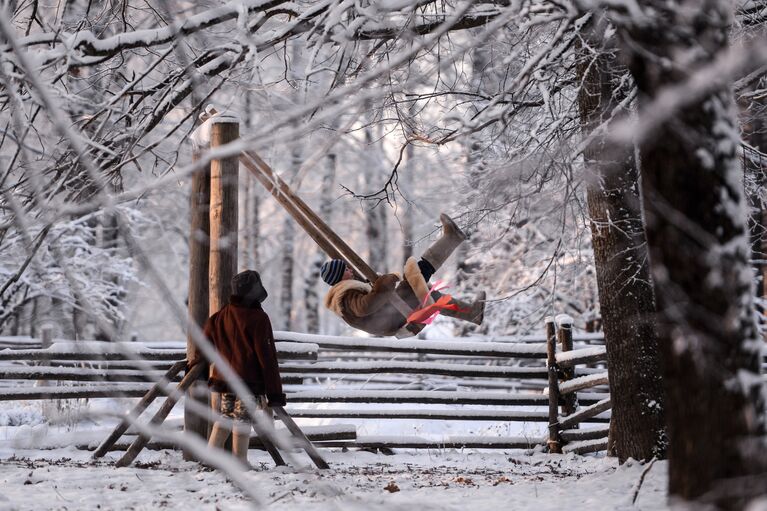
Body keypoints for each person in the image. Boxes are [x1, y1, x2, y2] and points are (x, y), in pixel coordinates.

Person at [321, 214, 485, 337]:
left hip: (390, 315)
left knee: (431, 295)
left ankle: (472, 313)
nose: (350, 270)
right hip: (391, 316)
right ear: (340, 276)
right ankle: (451, 238)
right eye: (346, 270)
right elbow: (365, 307)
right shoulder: (344, 297)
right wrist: (383, 285)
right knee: (415, 274)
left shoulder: (346, 294)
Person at [190, 270, 286, 467]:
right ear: (255, 290)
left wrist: (197, 372)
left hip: (225, 380)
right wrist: (274, 392)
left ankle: (209, 459)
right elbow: (267, 358)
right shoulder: (258, 318)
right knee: (242, 419)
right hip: (248, 382)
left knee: (226, 417)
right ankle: (240, 461)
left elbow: (204, 347)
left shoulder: (219, 316)